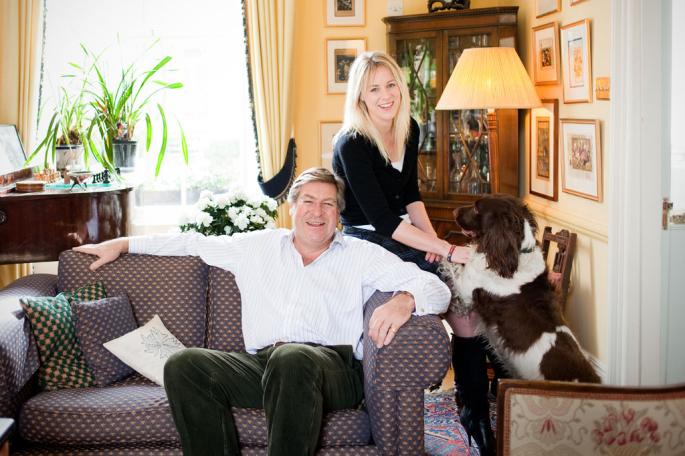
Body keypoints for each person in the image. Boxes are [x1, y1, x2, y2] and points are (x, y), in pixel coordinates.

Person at [73, 167, 450, 456]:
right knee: (184, 364)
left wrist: (404, 300)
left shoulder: (361, 254)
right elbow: (191, 243)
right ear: (291, 208)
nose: (317, 212)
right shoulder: (257, 247)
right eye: (308, 201)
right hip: (266, 366)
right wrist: (123, 244)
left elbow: (434, 286)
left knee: (293, 358)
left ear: (338, 214)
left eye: (328, 204)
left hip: (333, 370)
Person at [331, 51, 495, 455]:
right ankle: (467, 405)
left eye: (391, 85)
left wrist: (433, 243)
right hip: (366, 238)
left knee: (466, 302)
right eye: (374, 88)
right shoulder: (352, 143)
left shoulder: (410, 128)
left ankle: (473, 408)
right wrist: (445, 248)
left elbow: (410, 196)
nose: (386, 95)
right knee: (442, 279)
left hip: (403, 230)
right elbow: (383, 221)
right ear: (361, 97)